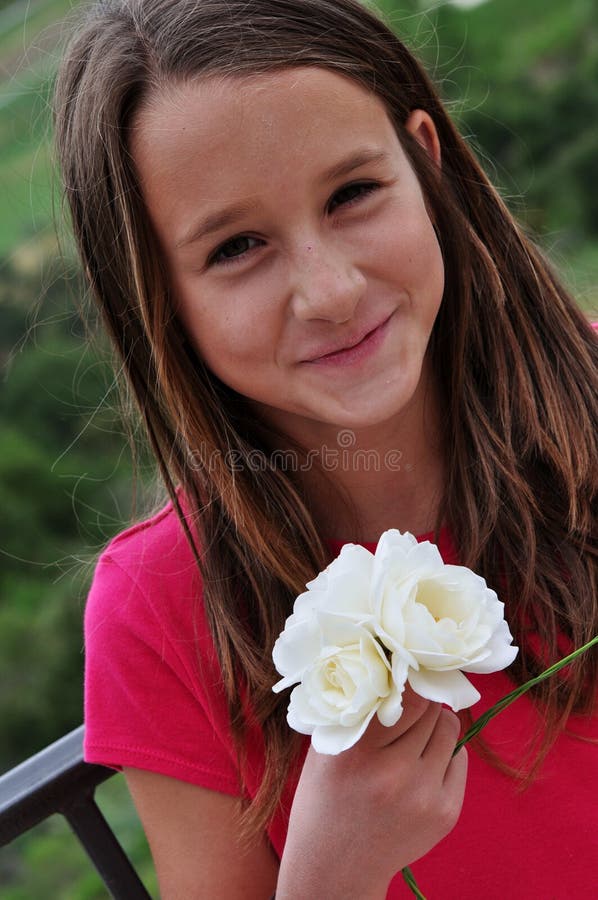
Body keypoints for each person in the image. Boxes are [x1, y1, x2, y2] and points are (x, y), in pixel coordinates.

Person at [54, 0, 597, 897]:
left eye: (352, 194)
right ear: (156, 296)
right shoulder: (159, 613)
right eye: (237, 247)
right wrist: (330, 869)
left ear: (427, 164)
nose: (332, 291)